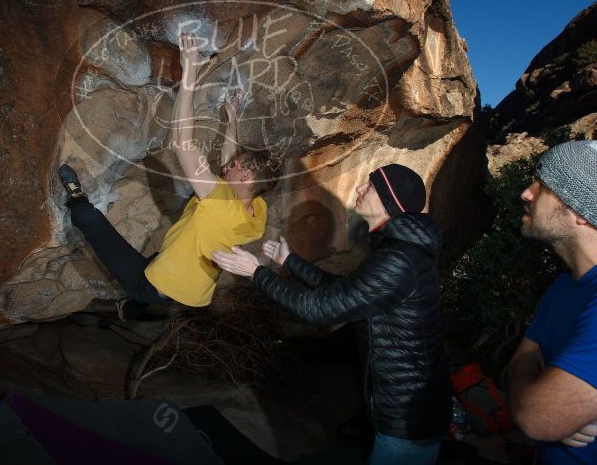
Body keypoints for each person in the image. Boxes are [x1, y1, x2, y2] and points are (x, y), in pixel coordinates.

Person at [211, 163, 450, 464]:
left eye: (371, 186)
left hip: (406, 420)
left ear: (391, 203)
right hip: (405, 410)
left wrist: (256, 272)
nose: (360, 189)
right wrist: (289, 262)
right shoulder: (398, 252)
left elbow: (318, 308)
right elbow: (342, 291)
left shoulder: (398, 260)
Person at [60, 33, 279, 319]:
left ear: (247, 175)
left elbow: (181, 143)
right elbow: (230, 160)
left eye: (235, 166)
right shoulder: (257, 211)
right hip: (193, 287)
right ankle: (134, 310)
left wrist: (189, 71)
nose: (226, 167)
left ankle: (76, 201)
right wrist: (232, 117)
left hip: (153, 284)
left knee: (89, 220)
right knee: (160, 259)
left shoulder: (219, 200)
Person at [507, 139, 597, 463]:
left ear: (584, 211)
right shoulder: (568, 283)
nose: (526, 193)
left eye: (543, 186)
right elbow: (524, 357)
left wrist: (539, 405)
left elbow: (536, 417)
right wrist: (537, 394)